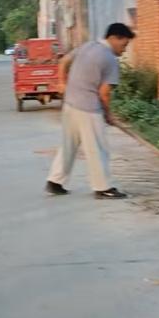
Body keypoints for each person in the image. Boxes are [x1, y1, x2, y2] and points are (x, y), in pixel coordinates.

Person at [45, 23, 135, 199]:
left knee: (68, 145)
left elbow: (64, 61)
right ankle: (103, 188)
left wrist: (62, 82)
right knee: (97, 148)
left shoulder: (88, 46)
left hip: (70, 104)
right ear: (114, 38)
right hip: (88, 109)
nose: (124, 50)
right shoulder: (109, 59)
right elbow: (104, 93)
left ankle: (55, 181)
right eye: (124, 45)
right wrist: (108, 115)